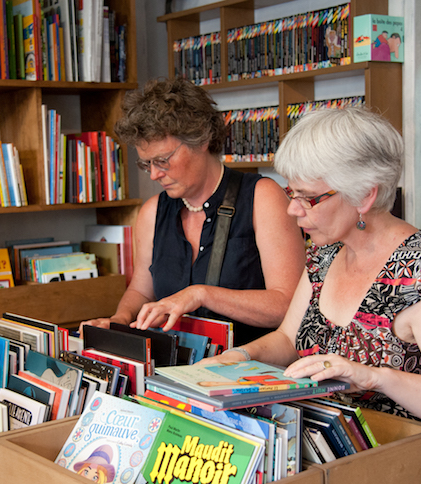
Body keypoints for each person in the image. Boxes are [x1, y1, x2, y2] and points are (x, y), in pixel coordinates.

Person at [204, 106, 421, 484]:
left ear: (365, 194)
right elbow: (289, 338)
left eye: (308, 197)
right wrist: (236, 358)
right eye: (291, 193)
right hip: (346, 480)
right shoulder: (325, 252)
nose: (293, 210)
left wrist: (372, 376)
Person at [81, 78, 305, 345]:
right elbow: (141, 290)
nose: (154, 174)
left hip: (251, 371)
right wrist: (119, 320)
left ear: (201, 138)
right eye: (146, 163)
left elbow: (288, 305)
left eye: (163, 160)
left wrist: (201, 294)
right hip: (176, 371)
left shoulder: (262, 197)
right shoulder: (152, 212)